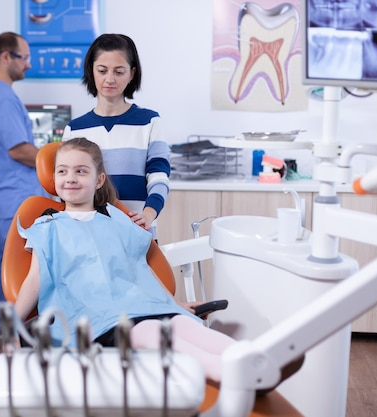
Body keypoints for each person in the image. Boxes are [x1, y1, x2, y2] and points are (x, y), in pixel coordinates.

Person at [13, 138, 235, 382]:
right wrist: (12, 324)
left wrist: (171, 304)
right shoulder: (47, 226)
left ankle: (244, 356)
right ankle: (229, 372)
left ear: (99, 180)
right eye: (62, 171)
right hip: (93, 318)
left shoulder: (116, 219)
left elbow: (139, 269)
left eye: (81, 171)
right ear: (53, 178)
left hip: (141, 304)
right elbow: (34, 280)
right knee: (149, 332)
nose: (71, 178)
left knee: (184, 324)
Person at [0, 31, 47, 345]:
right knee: (21, 268)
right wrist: (60, 161)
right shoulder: (1, 97)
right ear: (5, 56)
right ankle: (20, 336)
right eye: (24, 57)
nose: (29, 65)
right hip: (13, 197)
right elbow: (18, 149)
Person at [62, 34, 170, 238]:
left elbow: (159, 178)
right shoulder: (74, 130)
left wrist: (148, 214)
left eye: (119, 71)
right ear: (91, 71)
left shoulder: (149, 122)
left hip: (137, 233)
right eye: (102, 71)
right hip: (89, 237)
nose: (109, 79)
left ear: (132, 74)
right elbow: (68, 187)